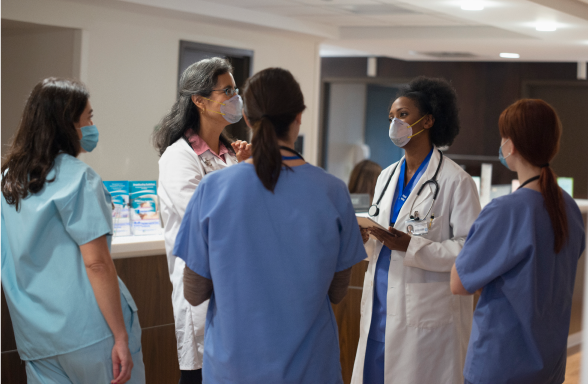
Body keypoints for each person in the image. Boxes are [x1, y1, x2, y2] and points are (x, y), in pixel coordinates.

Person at [173, 67, 367, 384]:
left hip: (233, 369)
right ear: (299, 117)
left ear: (247, 118)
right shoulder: (331, 191)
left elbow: (194, 293)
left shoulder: (214, 189)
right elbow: (337, 292)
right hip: (309, 370)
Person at [0, 78, 145, 384]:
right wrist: (120, 335)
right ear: (67, 123)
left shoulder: (8, 180)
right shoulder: (79, 178)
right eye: (88, 117)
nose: (92, 126)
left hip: (36, 337)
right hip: (91, 334)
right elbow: (96, 263)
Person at [351, 76, 481, 384]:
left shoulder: (456, 181)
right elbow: (381, 235)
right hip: (380, 308)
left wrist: (411, 246)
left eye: (403, 115)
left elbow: (470, 252)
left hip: (425, 317)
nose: (394, 122)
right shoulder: (385, 177)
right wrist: (365, 237)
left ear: (429, 120)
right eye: (391, 117)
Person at [451, 99, 585, 384]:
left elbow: (459, 283)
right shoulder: (569, 208)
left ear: (510, 145)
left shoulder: (506, 211)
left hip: (501, 365)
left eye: (503, 137)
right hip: (548, 366)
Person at [153, 57, 251, 384]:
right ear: (199, 100)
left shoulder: (233, 155)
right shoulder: (179, 158)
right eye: (227, 91)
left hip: (238, 291)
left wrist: (247, 170)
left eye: (235, 90)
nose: (235, 99)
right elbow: (207, 221)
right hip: (202, 296)